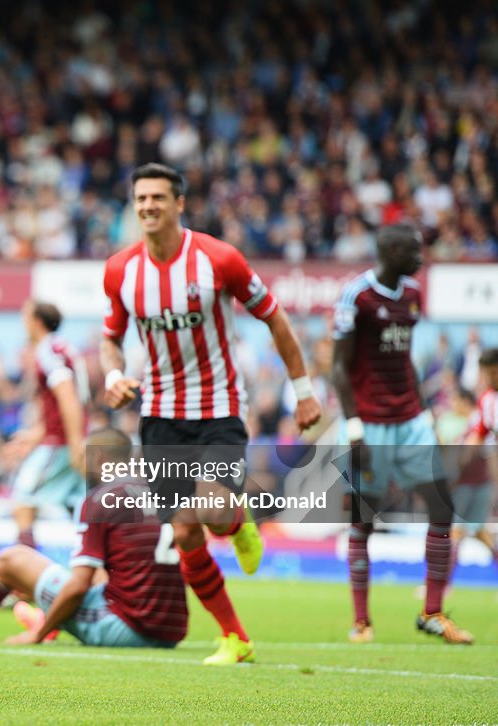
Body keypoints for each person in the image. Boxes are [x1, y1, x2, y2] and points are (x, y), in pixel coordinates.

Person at [100, 162, 322, 665]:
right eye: (140, 199)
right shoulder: (121, 270)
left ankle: (239, 522)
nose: (148, 207)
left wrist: (303, 390)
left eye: (158, 198)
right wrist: (113, 377)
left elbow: (275, 318)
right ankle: (235, 637)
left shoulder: (219, 259)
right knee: (182, 531)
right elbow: (109, 340)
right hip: (159, 415)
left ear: (180, 204)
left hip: (219, 407)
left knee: (214, 511)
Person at [0, 429, 189, 648]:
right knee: (70, 573)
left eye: (81, 456)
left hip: (128, 628)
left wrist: (39, 634)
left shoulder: (100, 499)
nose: (76, 464)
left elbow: (80, 585)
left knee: (12, 560)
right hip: (172, 629)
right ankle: (47, 611)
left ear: (99, 458)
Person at [332, 223, 473, 645]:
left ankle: (431, 612)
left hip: (410, 420)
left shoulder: (412, 294)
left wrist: (424, 413)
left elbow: (404, 358)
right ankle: (361, 621)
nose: (420, 256)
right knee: (363, 520)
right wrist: (353, 428)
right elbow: (339, 368)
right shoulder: (357, 296)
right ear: (389, 251)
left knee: (441, 507)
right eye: (413, 250)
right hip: (369, 424)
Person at [6, 300, 88, 549]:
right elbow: (67, 401)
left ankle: (25, 570)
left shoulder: (48, 350)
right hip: (63, 437)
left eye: (26, 318)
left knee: (22, 499)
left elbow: (67, 397)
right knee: (80, 507)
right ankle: (105, 564)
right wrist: (34, 436)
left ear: (36, 321)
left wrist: (76, 445)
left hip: (61, 442)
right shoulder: (63, 348)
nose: (23, 323)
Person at [460, 349, 498, 565]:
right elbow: (480, 433)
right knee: (472, 529)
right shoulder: (487, 400)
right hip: (485, 478)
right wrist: (459, 462)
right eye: (487, 374)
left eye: (495, 373)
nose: (491, 378)